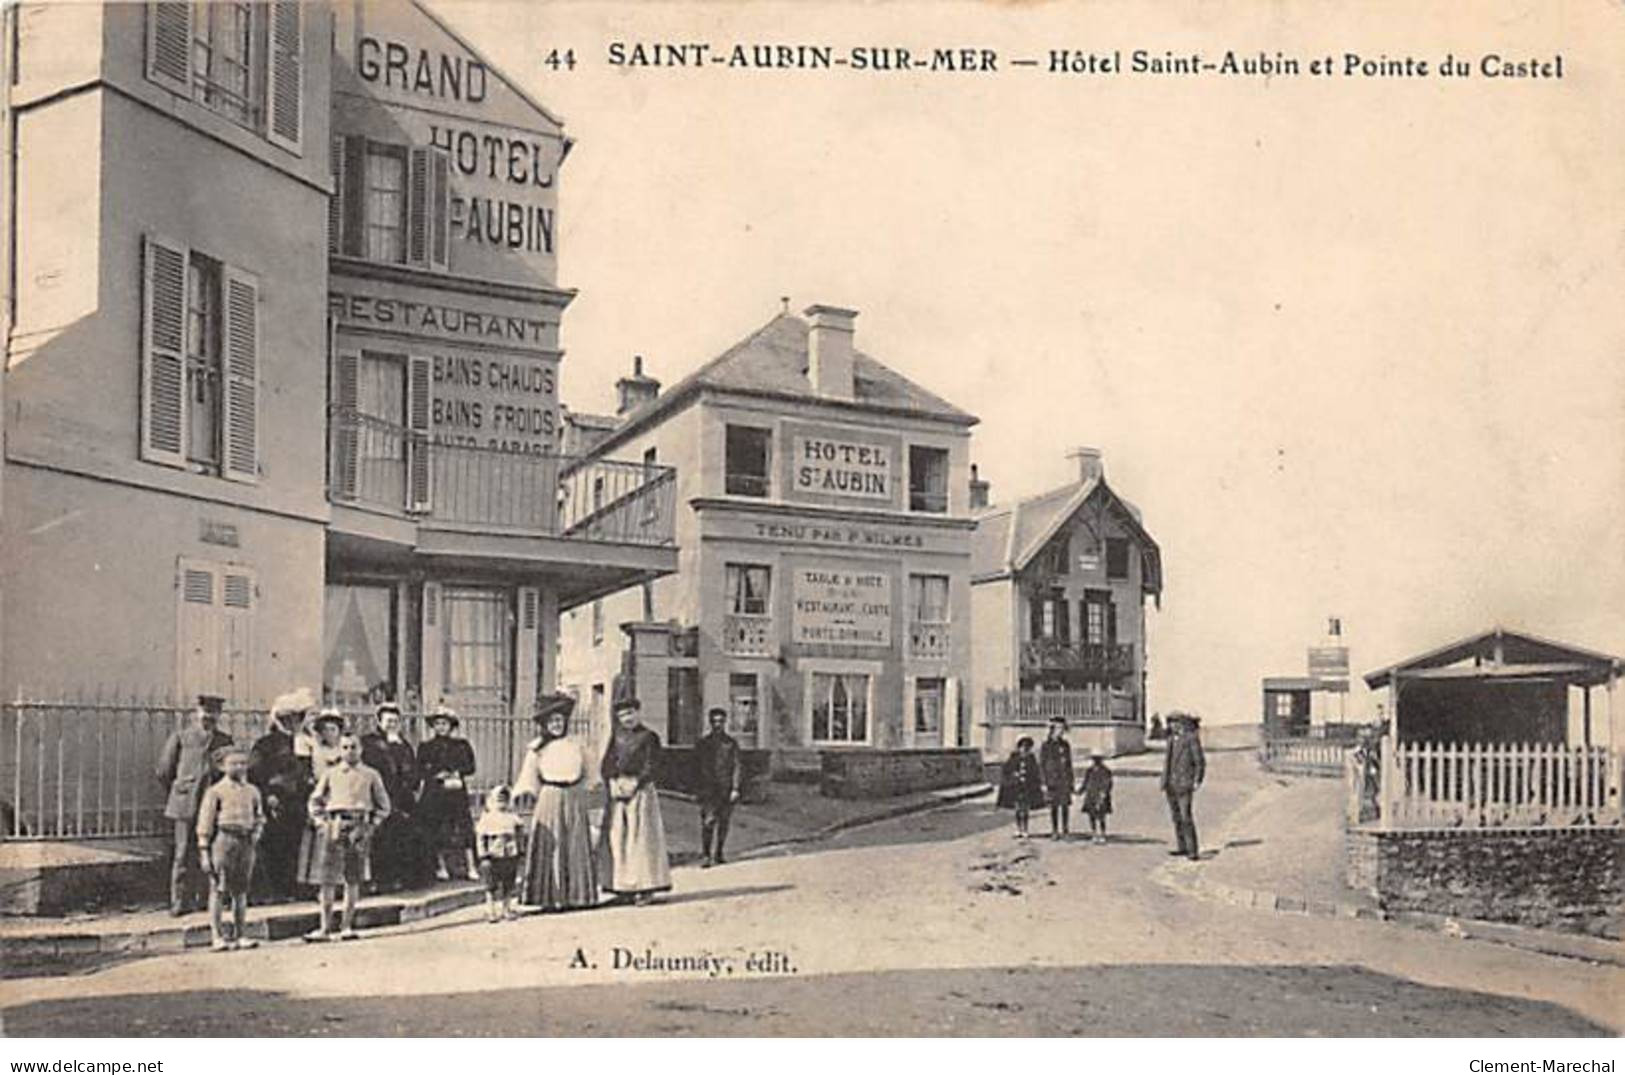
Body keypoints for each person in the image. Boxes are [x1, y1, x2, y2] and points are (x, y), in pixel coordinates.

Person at [513, 694, 599, 911]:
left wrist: (591, 786)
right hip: (549, 797)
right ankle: (549, 897)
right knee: (551, 845)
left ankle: (578, 896)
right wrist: (524, 792)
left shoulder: (577, 744)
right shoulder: (537, 748)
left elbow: (590, 772)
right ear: (545, 724)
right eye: (552, 722)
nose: (557, 725)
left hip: (574, 797)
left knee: (575, 844)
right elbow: (528, 775)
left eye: (560, 721)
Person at [303, 733, 391, 941]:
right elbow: (315, 801)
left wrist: (371, 825)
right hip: (334, 824)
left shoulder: (371, 775)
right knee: (327, 879)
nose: (349, 751)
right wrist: (321, 823)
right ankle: (324, 928)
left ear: (361, 750)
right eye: (345, 747)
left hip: (359, 825)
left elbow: (384, 806)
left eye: (353, 747)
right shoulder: (331, 774)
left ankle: (346, 926)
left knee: (353, 878)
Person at [155, 694, 234, 915]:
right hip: (185, 803)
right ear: (197, 712)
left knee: (211, 852)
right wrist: (182, 789)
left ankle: (206, 899)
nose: (209, 716)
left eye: (214, 712)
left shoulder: (224, 740)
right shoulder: (182, 737)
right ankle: (179, 901)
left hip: (213, 804)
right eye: (206, 711)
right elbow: (164, 771)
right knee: (182, 853)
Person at [598, 697, 671, 905]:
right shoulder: (617, 736)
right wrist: (612, 780)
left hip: (641, 792)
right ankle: (623, 887)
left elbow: (653, 765)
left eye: (630, 713)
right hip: (618, 792)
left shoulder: (649, 737)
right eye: (622, 715)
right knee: (618, 838)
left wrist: (636, 781)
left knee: (640, 839)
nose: (626, 718)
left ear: (638, 713)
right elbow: (607, 763)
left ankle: (645, 887)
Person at [196, 746, 264, 951]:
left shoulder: (252, 791)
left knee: (241, 891)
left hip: (246, 842)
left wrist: (256, 832)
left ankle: (240, 934)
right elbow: (205, 823)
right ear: (222, 766)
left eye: (243, 763)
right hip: (224, 841)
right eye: (234, 764)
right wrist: (204, 851)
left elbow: (259, 815)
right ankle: (217, 936)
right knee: (218, 889)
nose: (239, 767)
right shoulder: (215, 791)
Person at [249, 689, 314, 901]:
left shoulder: (306, 742)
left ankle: (295, 886)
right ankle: (277, 889)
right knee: (276, 844)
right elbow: (256, 773)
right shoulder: (266, 744)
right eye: (287, 718)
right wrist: (268, 794)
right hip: (276, 801)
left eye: (296, 718)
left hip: (300, 800)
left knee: (297, 844)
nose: (292, 722)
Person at [360, 702, 421, 891]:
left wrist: (411, 784)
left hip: (401, 797)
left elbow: (413, 770)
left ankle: (399, 878)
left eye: (395, 721)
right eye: (388, 721)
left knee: (401, 838)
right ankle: (378, 880)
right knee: (380, 839)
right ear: (379, 721)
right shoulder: (370, 743)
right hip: (379, 794)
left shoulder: (404, 744)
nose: (392, 724)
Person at [415, 705, 479, 882]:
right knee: (435, 829)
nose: (441, 727)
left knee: (464, 828)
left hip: (456, 792)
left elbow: (471, 767)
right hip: (435, 793)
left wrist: (457, 772)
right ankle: (441, 867)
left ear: (451, 726)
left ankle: (471, 866)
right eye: (438, 724)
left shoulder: (461, 745)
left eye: (445, 723)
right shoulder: (426, 747)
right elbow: (419, 769)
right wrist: (435, 774)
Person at [294, 709, 346, 891]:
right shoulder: (316, 749)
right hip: (322, 795)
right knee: (319, 839)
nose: (330, 733)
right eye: (326, 730)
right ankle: (315, 882)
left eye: (334, 729)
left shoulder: (344, 749)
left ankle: (340, 881)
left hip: (341, 796)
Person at [693, 706, 741, 867]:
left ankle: (719, 852)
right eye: (714, 721)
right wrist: (696, 790)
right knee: (708, 822)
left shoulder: (731, 744)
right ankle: (706, 855)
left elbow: (737, 766)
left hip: (725, 789)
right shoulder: (702, 744)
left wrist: (735, 788)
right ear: (710, 723)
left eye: (721, 721)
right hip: (708, 790)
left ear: (725, 722)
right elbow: (694, 768)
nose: (718, 724)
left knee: (724, 822)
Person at [475, 784, 524, 923]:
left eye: (505, 798)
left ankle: (506, 908)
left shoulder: (512, 817)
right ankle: (491, 909)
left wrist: (520, 850)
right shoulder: (487, 818)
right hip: (492, 856)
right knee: (490, 885)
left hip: (510, 856)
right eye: (499, 798)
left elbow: (519, 833)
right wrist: (482, 854)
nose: (502, 802)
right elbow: (480, 837)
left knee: (508, 883)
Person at [1161, 712, 1206, 860]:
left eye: (1174, 722)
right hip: (1171, 785)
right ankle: (1182, 847)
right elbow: (1167, 763)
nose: (1172, 726)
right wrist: (1164, 781)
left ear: (1181, 723)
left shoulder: (1191, 739)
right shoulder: (1171, 740)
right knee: (1176, 817)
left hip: (1185, 784)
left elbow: (1199, 761)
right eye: (1170, 723)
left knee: (1186, 817)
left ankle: (1193, 850)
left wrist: (1197, 780)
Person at [996, 737, 1045, 839]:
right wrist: (1014, 774)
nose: (1024, 749)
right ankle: (1018, 829)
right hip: (1016, 786)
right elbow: (1006, 769)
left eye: (1027, 747)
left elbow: (1035, 772)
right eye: (1022, 746)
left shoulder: (1031, 758)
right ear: (1019, 747)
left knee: (1025, 809)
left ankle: (1025, 829)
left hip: (1027, 787)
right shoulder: (1014, 757)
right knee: (1018, 809)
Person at [1038, 717, 1075, 840]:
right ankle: (1054, 830)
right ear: (1052, 729)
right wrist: (1043, 781)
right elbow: (1042, 764)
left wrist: (1071, 780)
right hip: (1052, 779)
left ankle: (1065, 830)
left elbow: (1069, 764)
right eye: (1058, 729)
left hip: (1064, 779)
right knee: (1054, 806)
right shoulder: (1046, 746)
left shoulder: (1065, 745)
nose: (1061, 731)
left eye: (1062, 729)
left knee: (1065, 805)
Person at [1080, 750, 1114, 844]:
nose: (1096, 762)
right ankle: (1094, 833)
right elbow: (1085, 783)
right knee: (1092, 815)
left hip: (1101, 795)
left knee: (1101, 816)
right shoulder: (1089, 771)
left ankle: (1102, 834)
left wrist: (1104, 793)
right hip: (1091, 795)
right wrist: (1080, 791)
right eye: (1095, 760)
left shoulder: (1106, 771)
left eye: (1098, 760)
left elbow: (1108, 784)